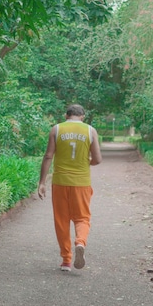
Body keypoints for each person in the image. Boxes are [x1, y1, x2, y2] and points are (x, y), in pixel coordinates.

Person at [37, 104, 103, 271]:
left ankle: (66, 260)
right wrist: (85, 163)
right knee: (82, 218)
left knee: (61, 221)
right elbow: (97, 159)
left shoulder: (56, 129)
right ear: (82, 116)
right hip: (81, 182)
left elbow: (48, 156)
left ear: (66, 115)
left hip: (60, 181)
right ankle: (80, 242)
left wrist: (42, 182)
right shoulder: (90, 131)